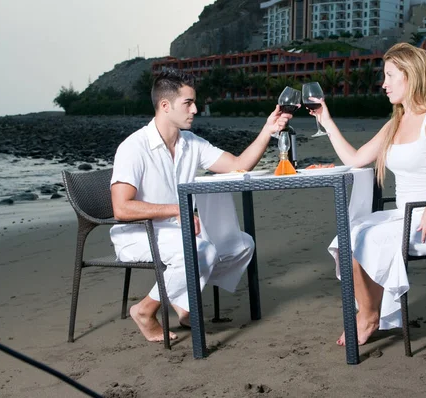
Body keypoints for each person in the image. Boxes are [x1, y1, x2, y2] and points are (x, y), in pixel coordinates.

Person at [110, 70, 291, 342]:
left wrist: (268, 130)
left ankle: (183, 302)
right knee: (201, 250)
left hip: (179, 232)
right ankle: (145, 311)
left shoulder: (190, 143)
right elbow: (121, 209)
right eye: (188, 103)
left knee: (241, 245)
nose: (195, 109)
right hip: (139, 234)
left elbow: (236, 165)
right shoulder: (133, 147)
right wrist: (177, 210)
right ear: (165, 106)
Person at [307, 43, 426, 346]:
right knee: (349, 236)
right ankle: (370, 311)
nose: (383, 84)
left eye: (390, 76)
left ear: (410, 76)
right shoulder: (395, 123)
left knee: (369, 239)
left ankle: (369, 317)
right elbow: (356, 159)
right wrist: (326, 120)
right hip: (403, 215)